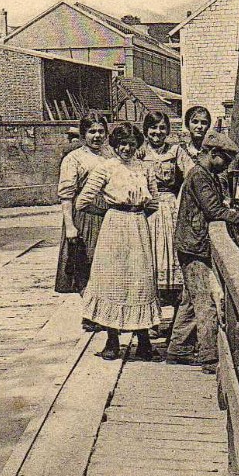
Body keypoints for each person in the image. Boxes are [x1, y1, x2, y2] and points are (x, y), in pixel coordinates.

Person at [167, 131, 239, 373]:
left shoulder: (206, 175)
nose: (226, 166)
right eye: (225, 160)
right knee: (204, 301)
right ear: (214, 154)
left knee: (191, 300)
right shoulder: (199, 176)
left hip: (192, 243)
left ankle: (178, 348)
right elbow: (214, 210)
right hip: (194, 246)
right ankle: (209, 358)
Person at [76, 122, 161, 361]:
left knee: (140, 281)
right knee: (112, 281)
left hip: (138, 228)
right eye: (122, 144)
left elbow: (154, 202)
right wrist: (109, 212)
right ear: (114, 145)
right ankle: (112, 340)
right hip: (113, 228)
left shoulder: (145, 168)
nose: (127, 148)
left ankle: (143, 342)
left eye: (131, 144)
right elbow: (82, 202)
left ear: (137, 145)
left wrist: (137, 214)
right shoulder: (106, 167)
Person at [55, 113, 110, 297]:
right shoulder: (74, 158)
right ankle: (89, 307)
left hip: (108, 213)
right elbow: (66, 196)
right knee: (85, 263)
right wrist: (70, 226)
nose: (97, 136)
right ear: (83, 134)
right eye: (92, 131)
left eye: (101, 131)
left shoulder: (111, 155)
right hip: (84, 215)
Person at [138, 111, 184, 313]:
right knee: (150, 254)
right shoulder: (139, 153)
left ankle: (175, 312)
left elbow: (192, 174)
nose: (157, 132)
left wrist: (180, 198)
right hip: (148, 209)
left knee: (172, 252)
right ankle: (151, 312)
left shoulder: (176, 151)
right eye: (153, 127)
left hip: (171, 207)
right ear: (146, 130)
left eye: (162, 128)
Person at [175, 106, 212, 179]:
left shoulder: (212, 152)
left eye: (204, 123)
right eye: (195, 122)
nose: (199, 126)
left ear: (208, 126)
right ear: (187, 125)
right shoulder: (180, 151)